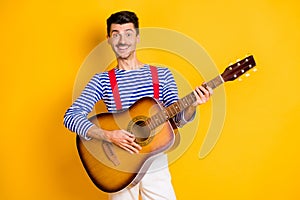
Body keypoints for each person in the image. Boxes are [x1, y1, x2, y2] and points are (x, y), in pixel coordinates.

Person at [64, 10, 212, 200]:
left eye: (128, 34)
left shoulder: (162, 75)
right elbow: (71, 116)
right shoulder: (102, 81)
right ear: (108, 39)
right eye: (116, 34)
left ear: (138, 38)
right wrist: (109, 135)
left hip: (155, 161)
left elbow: (176, 120)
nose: (122, 41)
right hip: (119, 165)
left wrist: (193, 104)